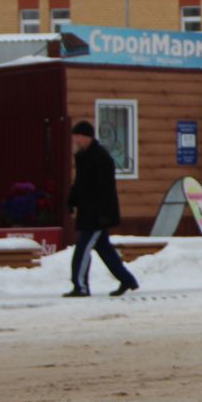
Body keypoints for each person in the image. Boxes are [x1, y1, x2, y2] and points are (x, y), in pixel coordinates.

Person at [66, 119, 138, 298]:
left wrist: (104, 215)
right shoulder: (83, 156)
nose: (75, 141)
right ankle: (127, 280)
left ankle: (80, 286)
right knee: (104, 249)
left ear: (85, 137)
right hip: (89, 212)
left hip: (97, 216)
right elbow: (80, 183)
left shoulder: (101, 157)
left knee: (82, 248)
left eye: (77, 137)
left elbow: (106, 190)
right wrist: (72, 201)